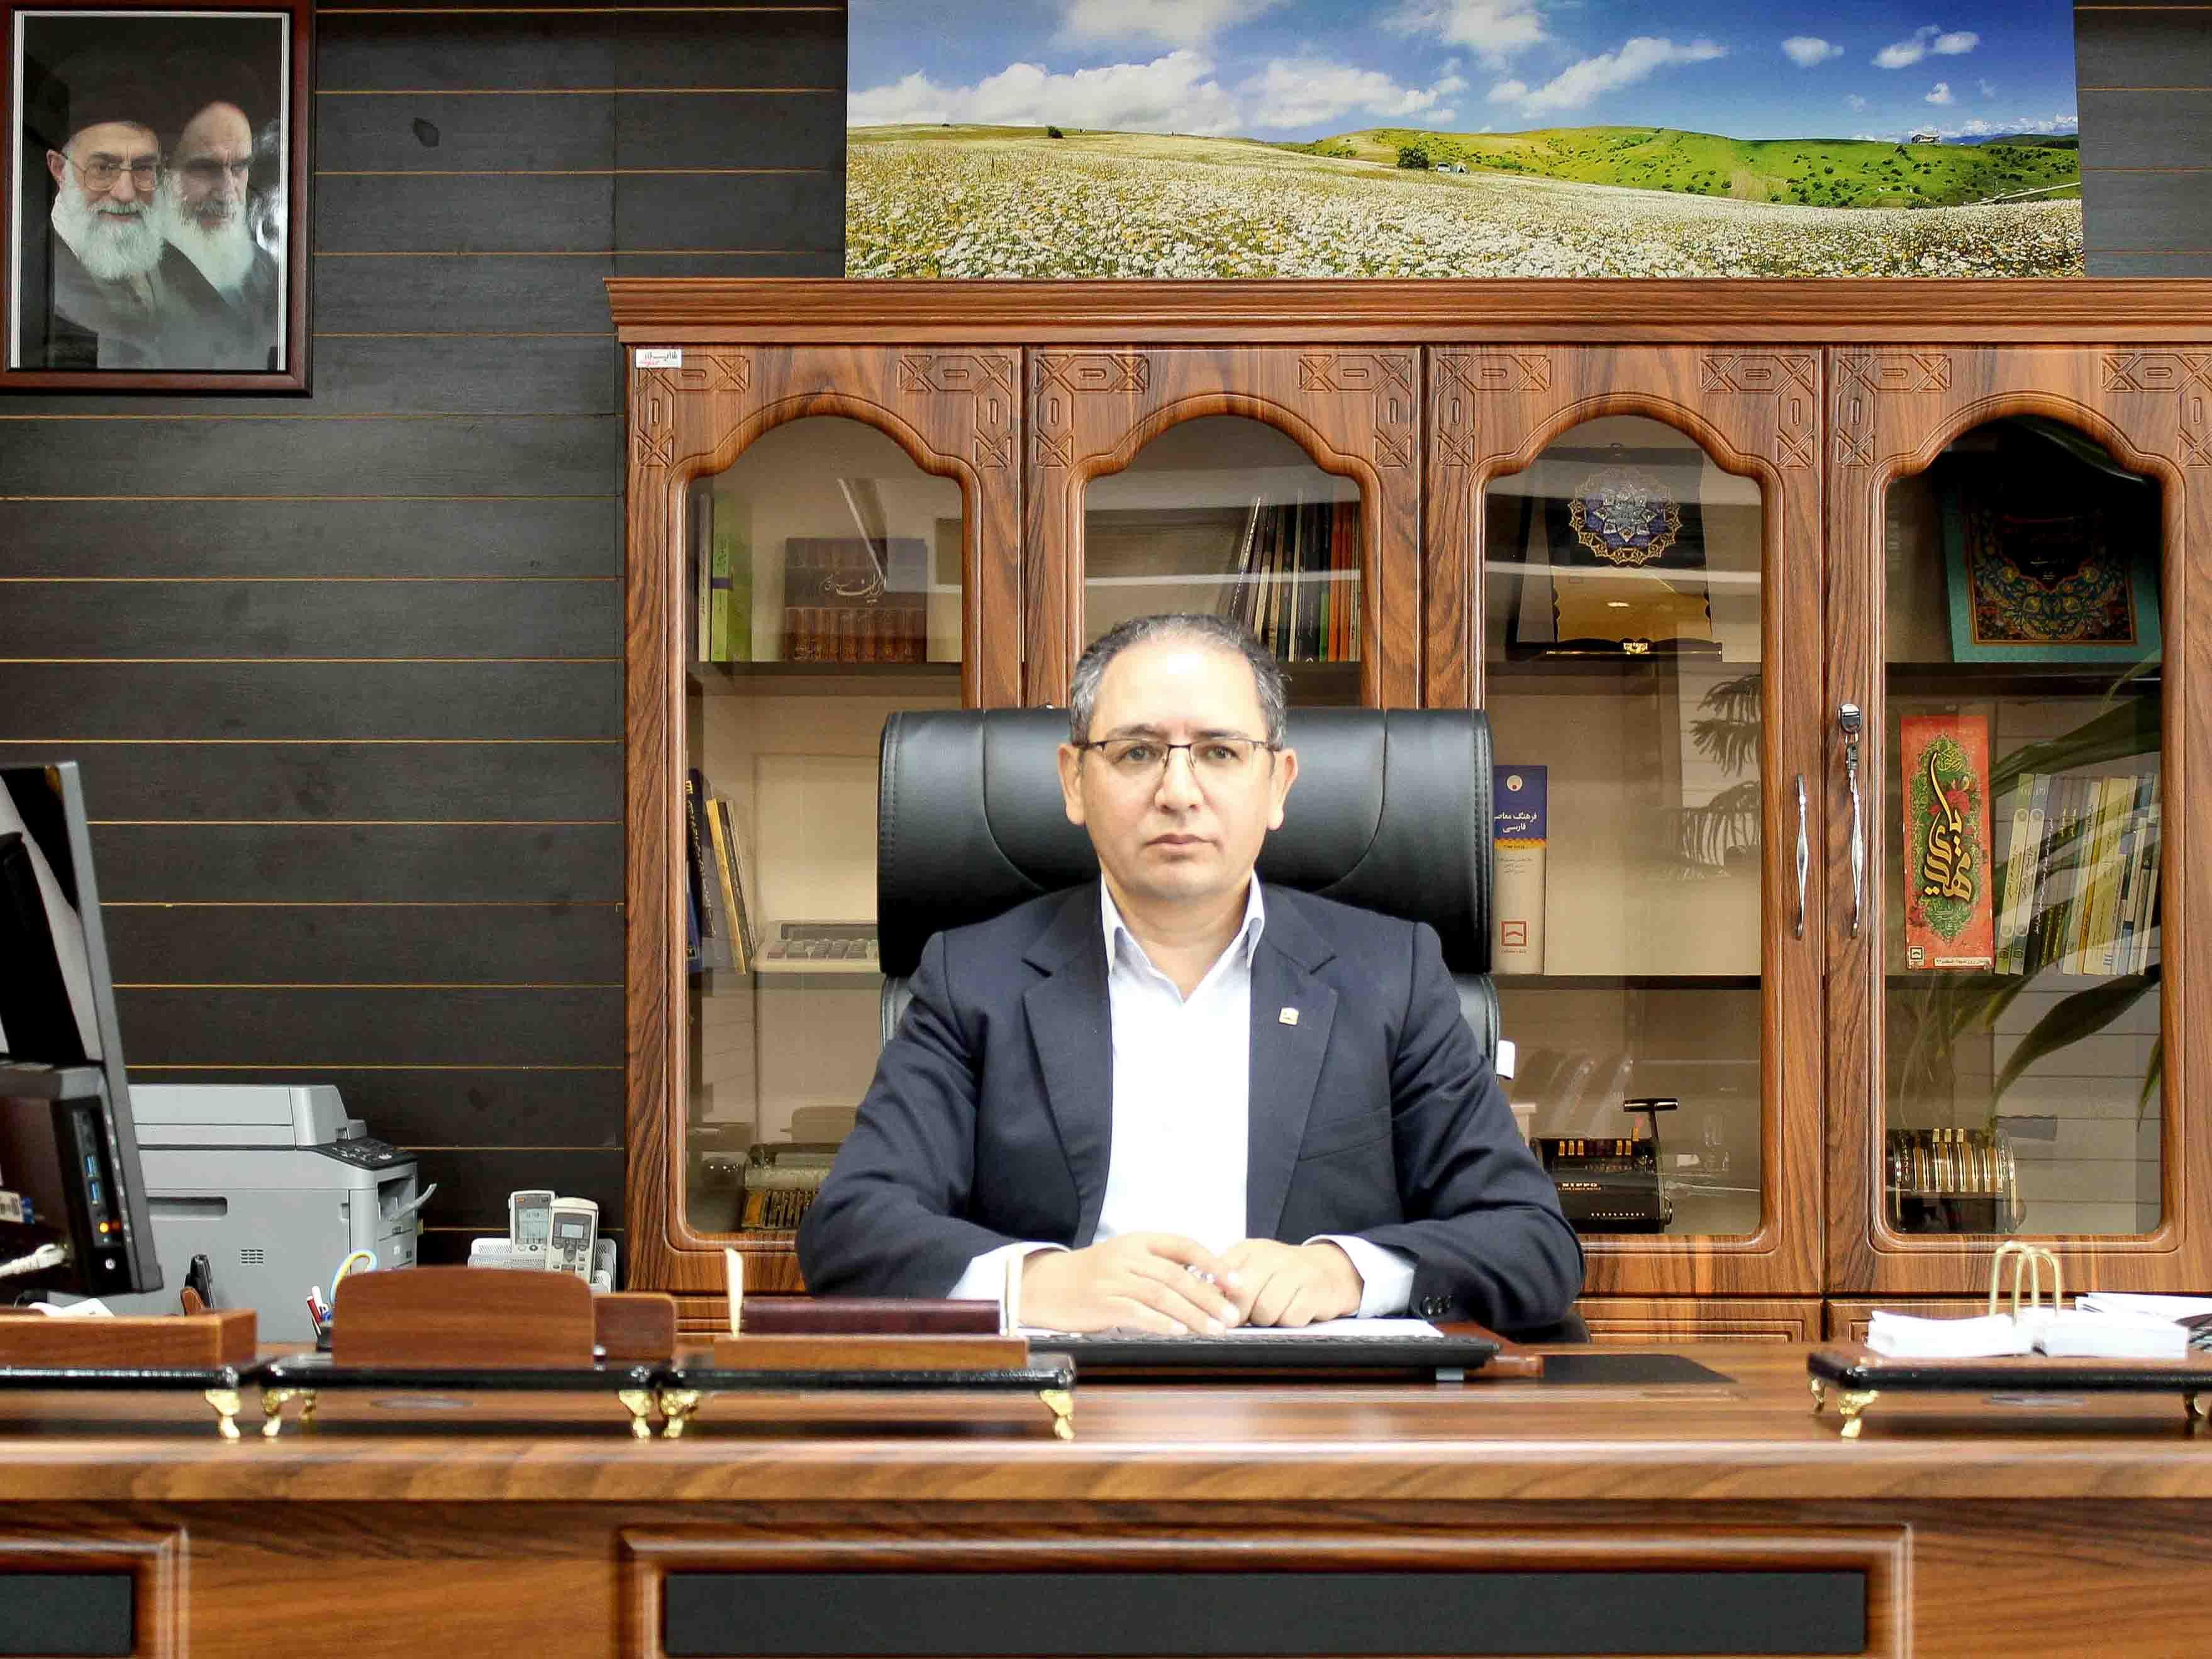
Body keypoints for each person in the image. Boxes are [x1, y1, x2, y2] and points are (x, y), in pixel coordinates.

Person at [797, 613, 1582, 1334]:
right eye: (1136, 752)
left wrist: (1345, 1271)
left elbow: (1530, 1239)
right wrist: (1040, 1282)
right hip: (1063, 1401)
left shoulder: (1391, 978)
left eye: (1219, 752)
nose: (1178, 793)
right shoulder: (974, 980)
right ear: (1074, 781)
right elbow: (851, 1228)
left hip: (1316, 1407)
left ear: (1278, 783)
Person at [157, 96, 280, 370]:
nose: (227, 191)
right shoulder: (132, 277)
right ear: (163, 172)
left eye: (239, 168)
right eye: (206, 168)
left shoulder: (268, 273)